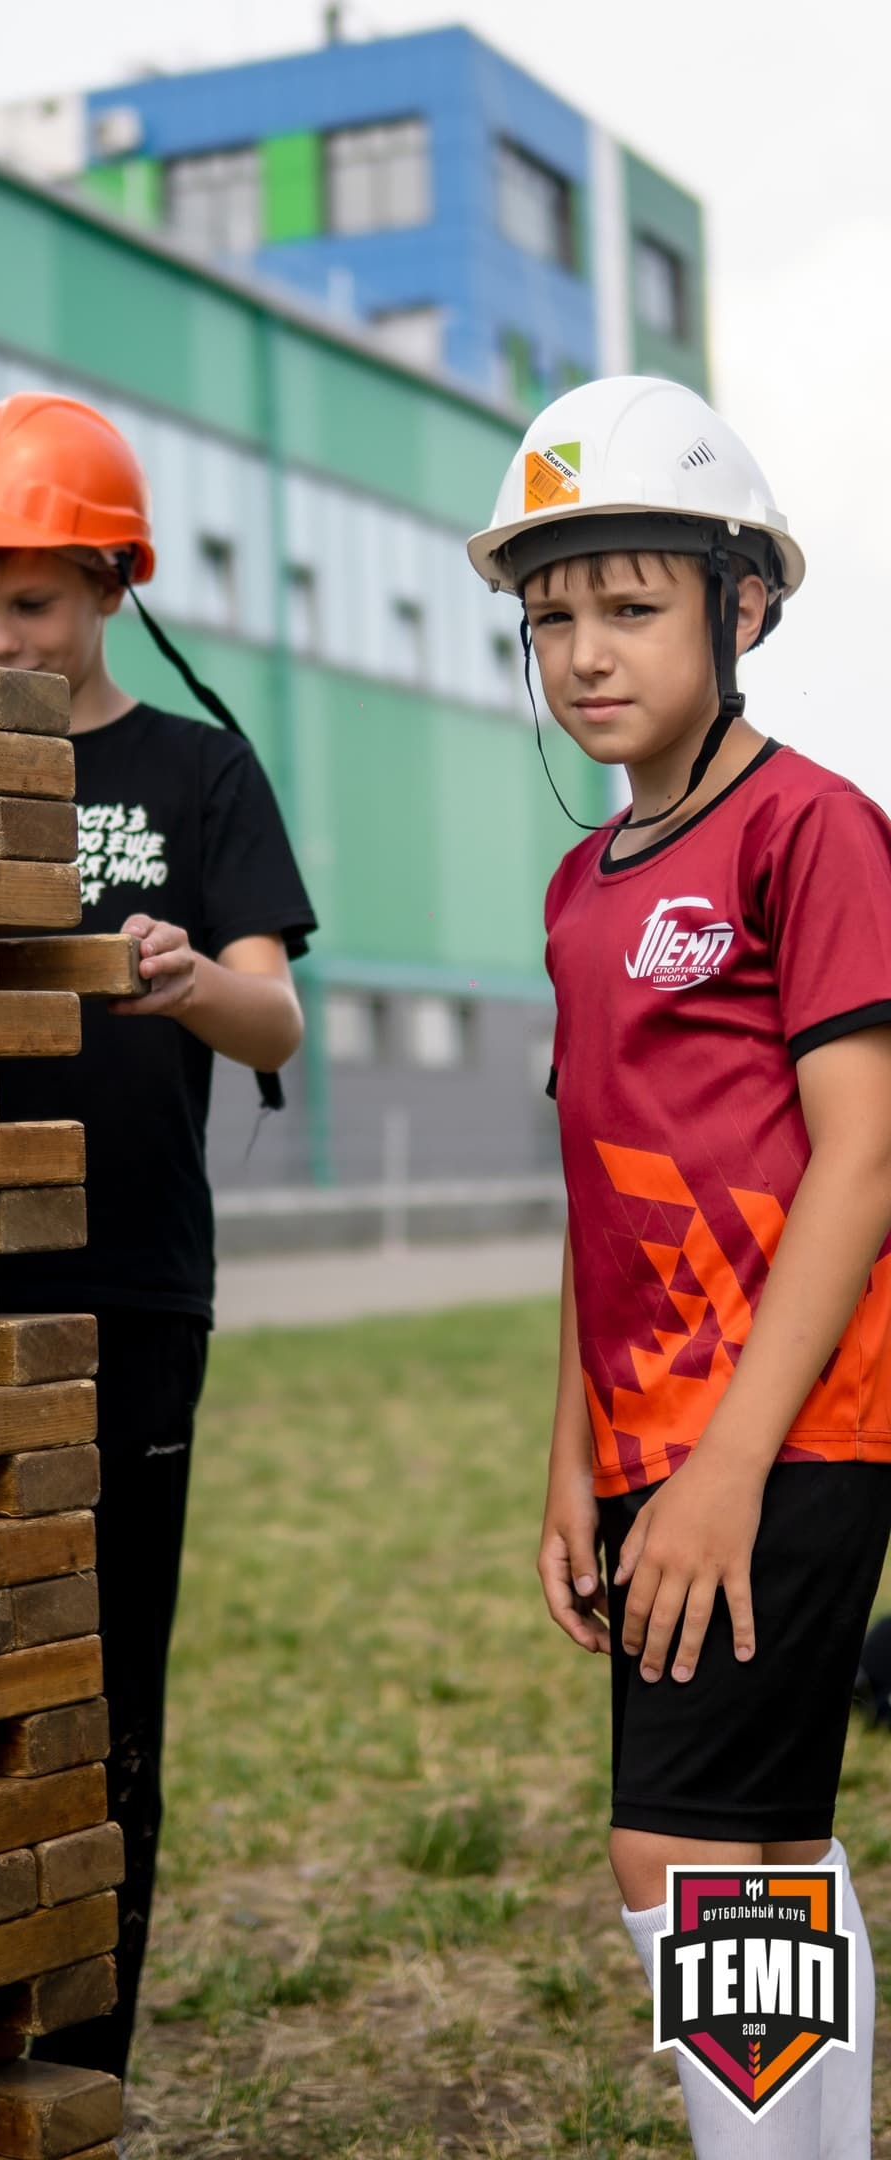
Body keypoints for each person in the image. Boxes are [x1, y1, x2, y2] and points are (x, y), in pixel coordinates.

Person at [468, 375, 891, 2157]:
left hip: (791, 1427)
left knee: (682, 1841)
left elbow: (867, 1156)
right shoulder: (580, 886)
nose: (585, 654)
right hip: (654, 1436)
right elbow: (602, 1188)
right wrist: (575, 1460)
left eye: (633, 607)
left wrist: (724, 1469)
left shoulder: (813, 829)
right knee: (755, 1836)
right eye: (549, 617)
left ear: (746, 606)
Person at [0, 393, 317, 2079]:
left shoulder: (197, 772)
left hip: (130, 1289)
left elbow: (276, 1020)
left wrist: (193, 978)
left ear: (114, 584)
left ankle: (79, 2068)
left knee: (103, 1680)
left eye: (30, 603)